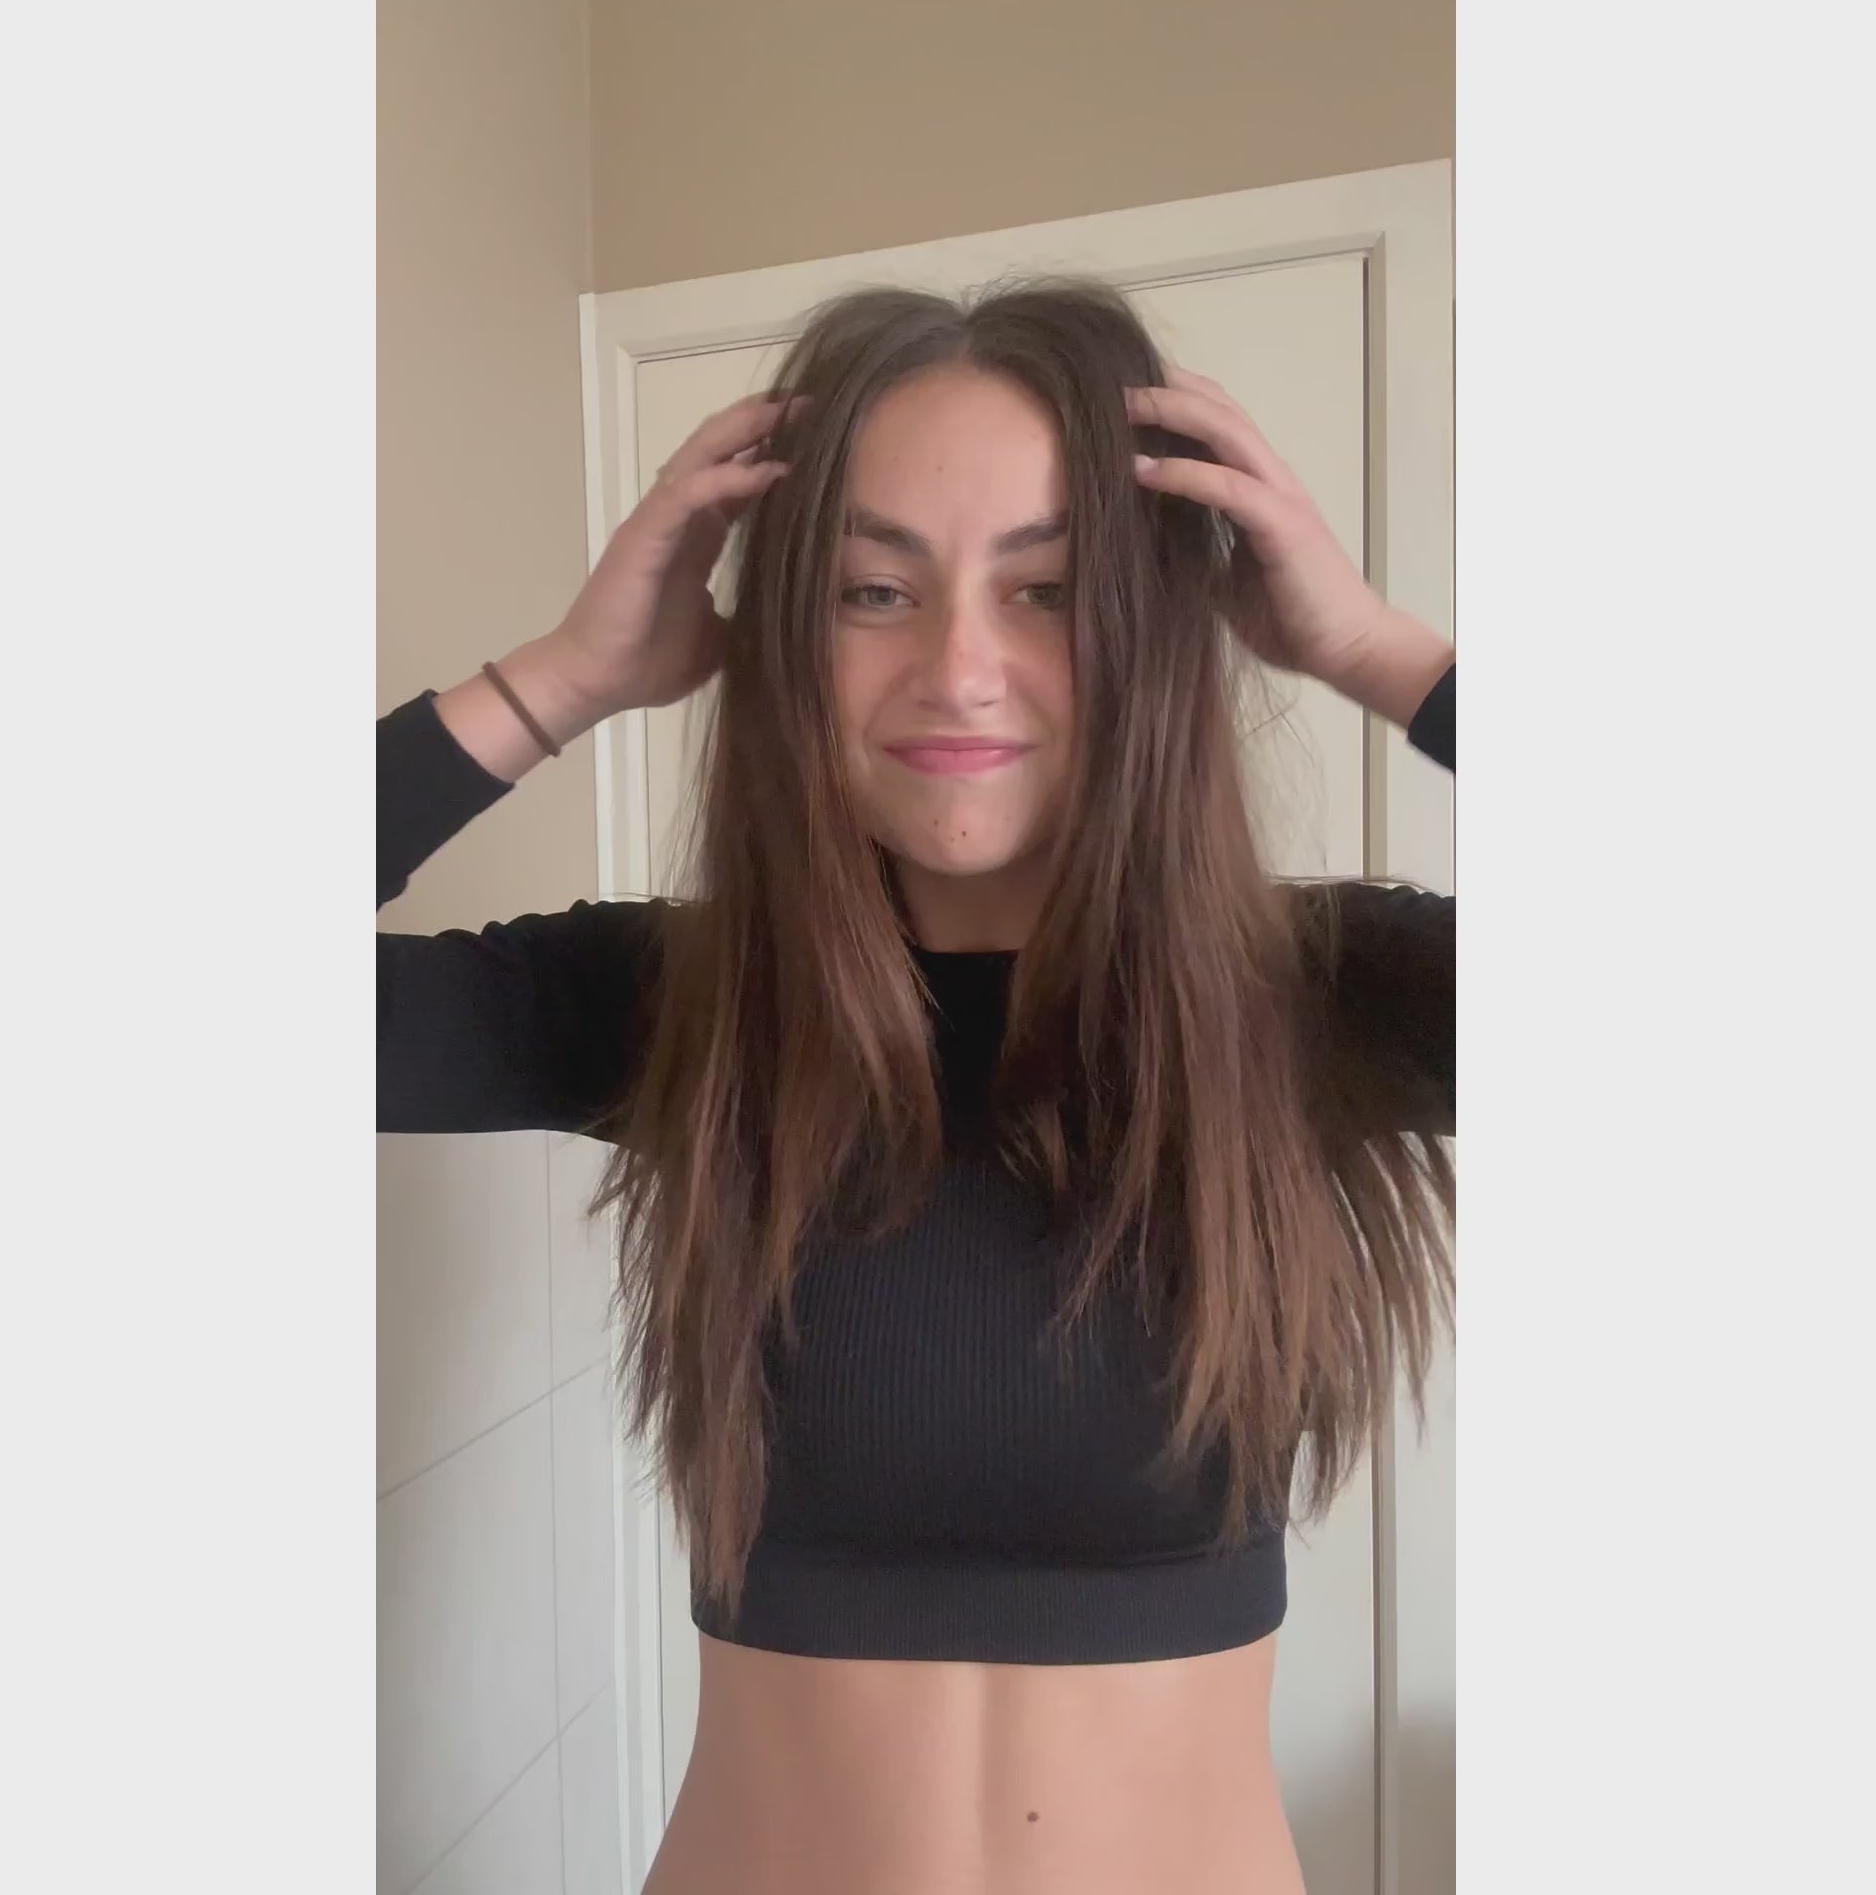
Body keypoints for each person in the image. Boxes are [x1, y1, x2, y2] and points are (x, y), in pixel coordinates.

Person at [378, 280, 1454, 1895]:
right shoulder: (691, 1003)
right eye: (875, 591)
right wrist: (561, 677)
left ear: (1156, 626)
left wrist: (1380, 651)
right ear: (788, 637)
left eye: (1052, 590)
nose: (959, 669)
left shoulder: (1310, 996)